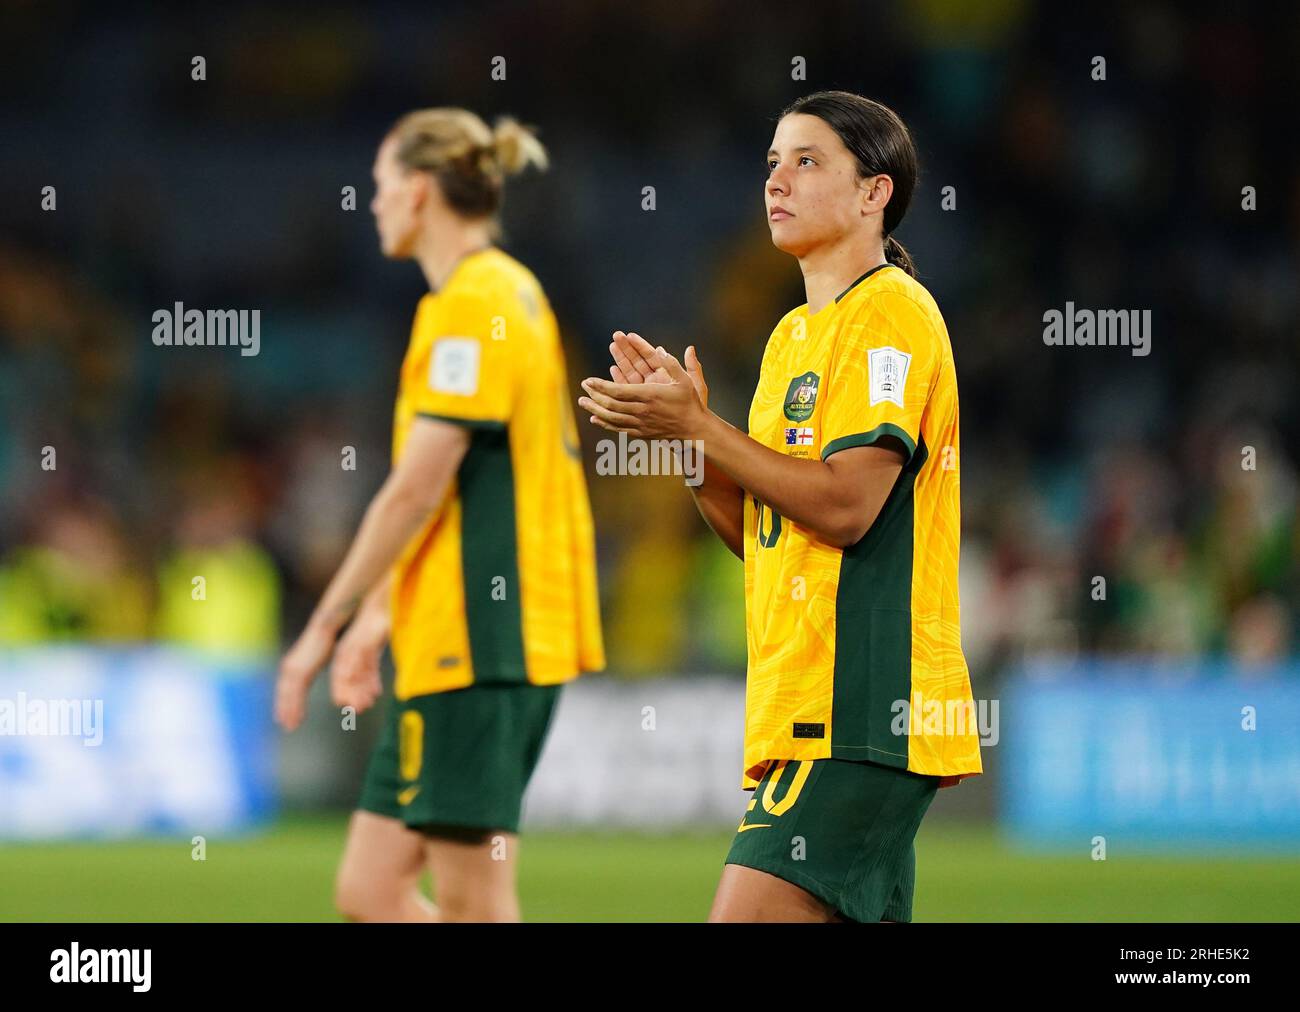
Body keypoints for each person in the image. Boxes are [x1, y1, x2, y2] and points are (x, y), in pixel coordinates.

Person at [579, 91, 981, 922]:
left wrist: (704, 425)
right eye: (771, 162)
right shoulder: (792, 338)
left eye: (807, 161)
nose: (777, 179)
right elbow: (766, 536)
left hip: (867, 703)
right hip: (807, 706)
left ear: (875, 193)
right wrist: (689, 447)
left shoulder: (891, 314)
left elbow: (846, 509)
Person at [275, 108, 604, 922]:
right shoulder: (497, 295)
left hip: (484, 643)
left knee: (474, 905)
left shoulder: (476, 301)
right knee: (370, 889)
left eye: (381, 187)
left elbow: (416, 488)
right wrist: (380, 615)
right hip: (454, 640)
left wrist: (324, 623)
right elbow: (451, 497)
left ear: (420, 192)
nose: (374, 203)